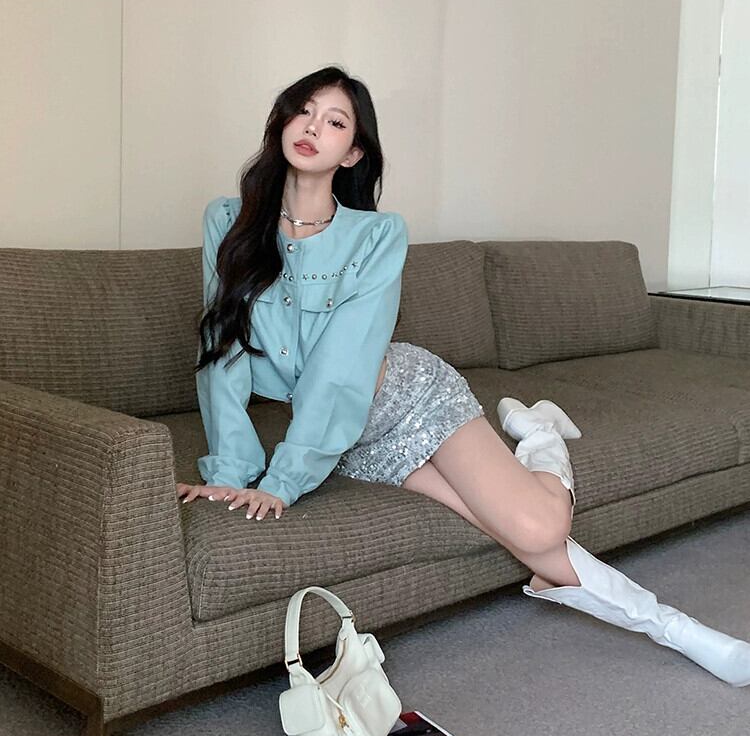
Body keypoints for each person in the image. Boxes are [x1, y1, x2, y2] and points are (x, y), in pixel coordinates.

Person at [177, 65, 750, 687]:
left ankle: (551, 454)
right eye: (303, 111)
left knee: (540, 526)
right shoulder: (227, 221)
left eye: (335, 121)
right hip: (347, 439)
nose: (313, 128)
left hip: (409, 399)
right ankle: (675, 623)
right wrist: (230, 473)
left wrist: (283, 481)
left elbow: (342, 368)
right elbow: (221, 348)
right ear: (281, 121)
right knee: (523, 540)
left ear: (354, 152)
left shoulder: (377, 235)